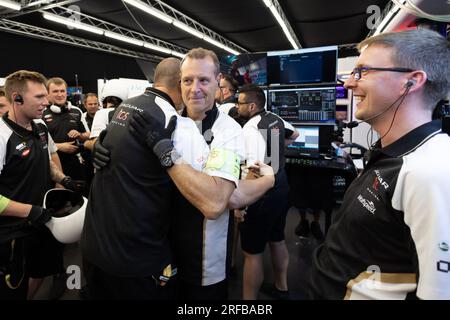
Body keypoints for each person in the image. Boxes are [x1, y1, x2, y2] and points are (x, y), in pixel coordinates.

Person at [308, 29, 450, 300]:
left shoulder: (432, 171)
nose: (349, 83)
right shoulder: (391, 152)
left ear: (411, 81)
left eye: (363, 71)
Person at [0, 70, 85, 300]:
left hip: (41, 220)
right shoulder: (2, 136)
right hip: (13, 232)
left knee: (42, 271)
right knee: (14, 286)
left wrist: (63, 179)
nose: (46, 101)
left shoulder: (39, 127)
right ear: (17, 98)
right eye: (39, 97)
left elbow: (45, 161)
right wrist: (30, 211)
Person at [235, 84, 298, 300]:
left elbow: (253, 170)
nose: (237, 106)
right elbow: (295, 134)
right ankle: (282, 287)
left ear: (252, 106)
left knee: (251, 254)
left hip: (262, 194)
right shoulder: (274, 118)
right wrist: (278, 151)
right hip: (281, 186)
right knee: (277, 239)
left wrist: (242, 204)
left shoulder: (250, 129)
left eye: (240, 103)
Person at [43, 77, 89, 181]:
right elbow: (35, 142)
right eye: (55, 91)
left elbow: (88, 135)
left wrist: (79, 134)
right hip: (50, 165)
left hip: (75, 164)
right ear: (47, 94)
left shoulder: (76, 111)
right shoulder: (40, 113)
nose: (60, 94)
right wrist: (58, 147)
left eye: (62, 91)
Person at [83, 79, 128, 151]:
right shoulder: (129, 113)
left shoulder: (102, 113)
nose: (93, 106)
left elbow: (95, 143)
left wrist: (86, 143)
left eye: (95, 104)